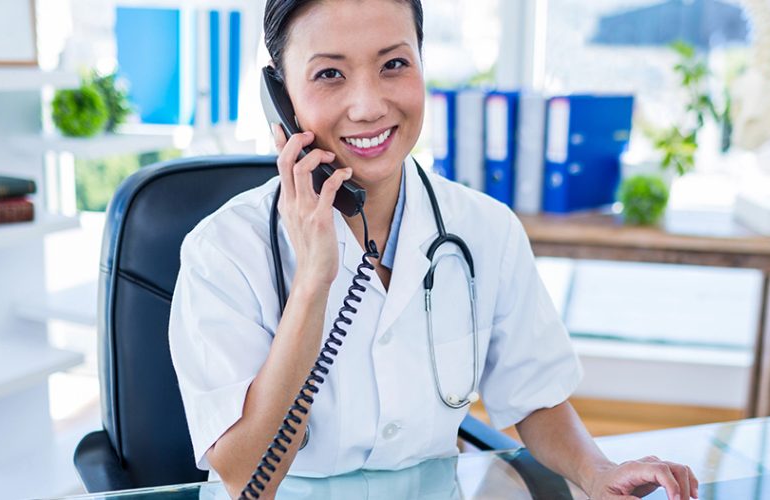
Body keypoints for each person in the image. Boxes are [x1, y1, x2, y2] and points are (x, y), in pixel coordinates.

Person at [168, 1, 700, 498]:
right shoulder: (222, 252)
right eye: (330, 74)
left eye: (394, 64)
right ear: (279, 99)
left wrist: (598, 471)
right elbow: (244, 478)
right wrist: (312, 284)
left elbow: (536, 396)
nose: (369, 105)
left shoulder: (486, 228)